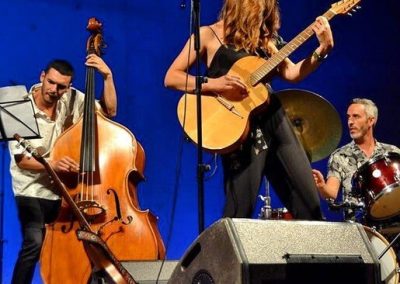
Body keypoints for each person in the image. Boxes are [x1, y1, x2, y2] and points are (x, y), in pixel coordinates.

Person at [164, 0, 334, 219]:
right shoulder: (208, 35)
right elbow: (172, 77)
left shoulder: (264, 42)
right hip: (237, 128)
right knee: (239, 209)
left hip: (273, 118)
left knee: (309, 204)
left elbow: (293, 73)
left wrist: (322, 50)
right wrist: (215, 84)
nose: (264, 15)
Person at [8, 54, 117, 284]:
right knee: (34, 242)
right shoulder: (18, 107)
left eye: (61, 87)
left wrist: (107, 77)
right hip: (31, 190)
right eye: (51, 83)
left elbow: (109, 112)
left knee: (91, 238)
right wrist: (54, 165)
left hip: (65, 192)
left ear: (67, 88)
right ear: (42, 76)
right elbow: (23, 161)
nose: (54, 90)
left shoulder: (71, 98)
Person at [313, 98, 400, 220]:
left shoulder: (392, 152)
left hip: (393, 224)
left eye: (356, 116)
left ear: (371, 121)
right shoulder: (340, 155)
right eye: (348, 117)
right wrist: (322, 186)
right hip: (357, 229)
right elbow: (331, 193)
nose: (350, 122)